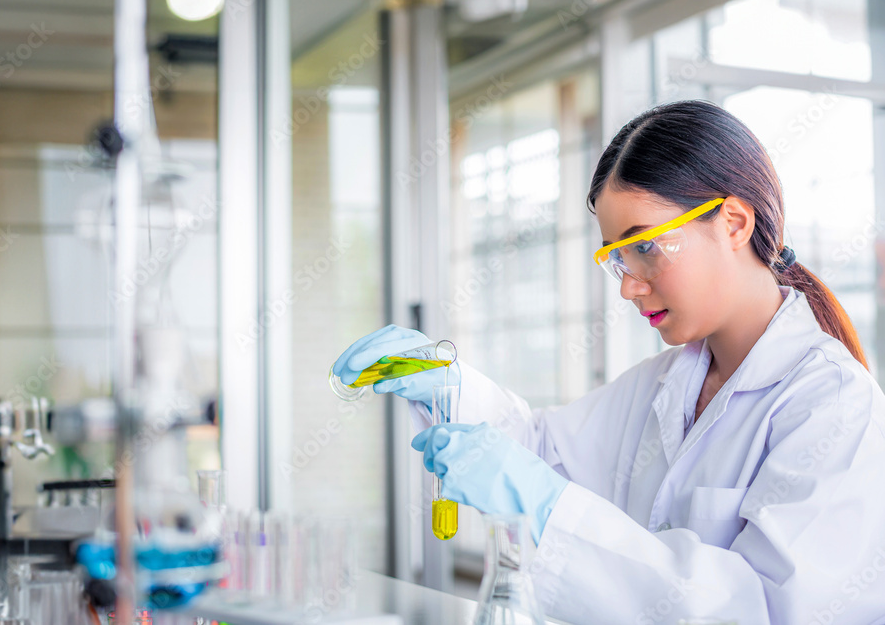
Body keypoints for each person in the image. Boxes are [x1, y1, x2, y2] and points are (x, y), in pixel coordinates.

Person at [332, 100, 885, 624]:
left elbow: (767, 610)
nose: (628, 286)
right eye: (617, 256)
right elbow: (540, 453)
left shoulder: (833, 404)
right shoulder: (666, 383)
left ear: (734, 223)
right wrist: (446, 387)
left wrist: (549, 510)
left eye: (644, 246)